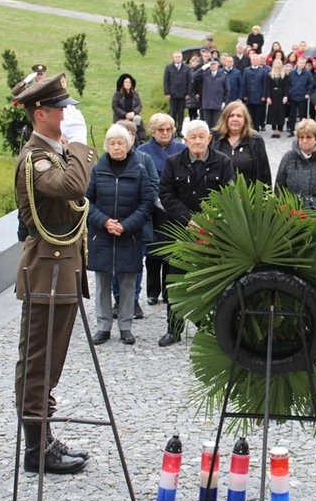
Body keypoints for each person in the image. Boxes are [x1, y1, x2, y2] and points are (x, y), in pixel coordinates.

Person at [13, 73, 98, 474]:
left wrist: (72, 146)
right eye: (60, 108)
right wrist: (80, 143)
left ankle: (44, 437)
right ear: (41, 113)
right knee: (38, 361)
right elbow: (74, 186)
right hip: (46, 272)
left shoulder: (53, 152)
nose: (67, 113)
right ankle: (36, 451)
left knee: (52, 361)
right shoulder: (36, 158)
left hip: (60, 271)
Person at [158, 119, 235, 346]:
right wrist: (188, 219)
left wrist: (211, 218)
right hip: (181, 231)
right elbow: (166, 194)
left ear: (209, 139)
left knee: (209, 281)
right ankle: (174, 328)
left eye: (202, 136)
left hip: (212, 234)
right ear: (185, 140)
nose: (198, 141)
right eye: (193, 137)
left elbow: (230, 193)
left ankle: (208, 327)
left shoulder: (222, 162)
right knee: (175, 281)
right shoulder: (174, 162)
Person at [86, 123, 154, 345]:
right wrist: (104, 222)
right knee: (102, 283)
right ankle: (103, 326)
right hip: (102, 236)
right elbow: (87, 203)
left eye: (120, 143)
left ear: (129, 144)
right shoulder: (98, 169)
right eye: (112, 143)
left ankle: (125, 326)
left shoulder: (139, 169)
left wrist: (125, 225)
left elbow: (146, 204)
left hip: (129, 235)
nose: (116, 147)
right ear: (107, 146)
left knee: (127, 282)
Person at [137, 114, 186, 306]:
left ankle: (169, 289)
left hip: (174, 207)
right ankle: (152, 289)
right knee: (152, 251)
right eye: (160, 130)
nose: (165, 133)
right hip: (153, 210)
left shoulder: (182, 149)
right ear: (152, 131)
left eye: (168, 129)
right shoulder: (143, 151)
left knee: (172, 252)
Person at [275, 118, 316, 212]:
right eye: (301, 137)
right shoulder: (289, 157)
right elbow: (279, 186)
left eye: (308, 137)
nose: (304, 141)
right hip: (292, 214)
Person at [211, 101, 272, 186]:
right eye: (231, 115)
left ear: (245, 119)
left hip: (248, 197)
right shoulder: (214, 138)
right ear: (225, 118)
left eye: (239, 116)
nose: (235, 119)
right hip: (219, 196)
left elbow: (264, 173)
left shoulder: (256, 140)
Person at [163, 51, 192, 134]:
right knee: (173, 112)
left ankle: (179, 130)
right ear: (173, 58)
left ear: (182, 58)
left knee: (181, 113)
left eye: (179, 57)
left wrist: (188, 93)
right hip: (173, 94)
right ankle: (172, 130)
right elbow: (166, 81)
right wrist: (167, 92)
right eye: (176, 57)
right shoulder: (169, 67)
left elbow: (189, 81)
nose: (178, 58)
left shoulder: (186, 68)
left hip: (183, 94)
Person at [195, 58, 229, 128]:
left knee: (216, 124)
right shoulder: (205, 74)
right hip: (207, 103)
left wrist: (224, 101)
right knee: (207, 125)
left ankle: (215, 138)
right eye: (211, 64)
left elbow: (227, 90)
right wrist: (203, 68)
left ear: (218, 64)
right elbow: (194, 76)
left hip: (217, 103)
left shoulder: (223, 75)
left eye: (214, 64)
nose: (212, 66)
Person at [111, 73, 145, 140]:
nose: (128, 84)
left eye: (129, 82)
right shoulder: (117, 94)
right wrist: (125, 114)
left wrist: (134, 113)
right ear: (122, 83)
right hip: (120, 119)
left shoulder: (135, 94)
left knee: (139, 127)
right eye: (126, 82)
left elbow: (139, 105)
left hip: (134, 118)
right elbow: (114, 106)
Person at [287, 57, 314, 138]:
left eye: (303, 63)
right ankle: (291, 130)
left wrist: (308, 93)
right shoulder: (292, 73)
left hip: (302, 96)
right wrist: (289, 93)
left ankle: (302, 131)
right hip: (293, 96)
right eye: (300, 62)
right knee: (292, 114)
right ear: (297, 63)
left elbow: (310, 84)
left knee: (303, 115)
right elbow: (288, 84)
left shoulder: (308, 73)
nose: (301, 64)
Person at [242, 53, 269, 132]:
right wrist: (244, 94)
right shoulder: (246, 70)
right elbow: (244, 83)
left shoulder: (263, 71)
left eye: (257, 60)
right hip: (249, 95)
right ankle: (250, 128)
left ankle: (257, 128)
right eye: (253, 60)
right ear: (251, 61)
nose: (255, 61)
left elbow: (264, 84)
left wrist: (264, 95)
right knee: (250, 113)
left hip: (259, 95)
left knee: (258, 114)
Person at [265, 59, 289, 138]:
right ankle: (274, 130)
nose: (277, 64)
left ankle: (279, 130)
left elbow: (286, 86)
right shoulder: (269, 75)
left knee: (280, 112)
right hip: (272, 94)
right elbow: (267, 87)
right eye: (276, 63)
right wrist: (268, 97)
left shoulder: (284, 75)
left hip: (281, 94)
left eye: (279, 63)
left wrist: (286, 96)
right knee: (273, 112)